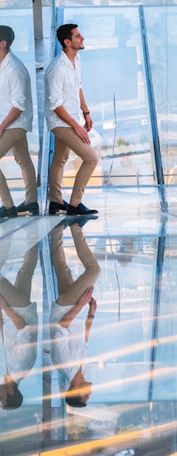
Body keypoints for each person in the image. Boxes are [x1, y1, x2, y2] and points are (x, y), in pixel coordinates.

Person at [45, 24, 99, 216]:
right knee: (91, 158)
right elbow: (56, 105)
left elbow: (78, 86)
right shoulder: (57, 69)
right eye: (78, 36)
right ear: (67, 42)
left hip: (73, 118)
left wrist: (86, 112)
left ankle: (55, 201)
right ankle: (74, 205)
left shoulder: (77, 59)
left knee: (60, 160)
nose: (82, 38)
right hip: (61, 122)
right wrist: (77, 127)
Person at [49, 220, 100, 408]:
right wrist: (91, 315)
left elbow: (62, 327)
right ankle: (56, 231)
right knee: (62, 268)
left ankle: (75, 226)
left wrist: (80, 303)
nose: (90, 393)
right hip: (75, 311)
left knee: (94, 270)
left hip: (66, 308)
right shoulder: (82, 370)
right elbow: (83, 340)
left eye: (86, 396)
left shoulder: (63, 364)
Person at [0, 25, 38, 218]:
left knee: (23, 161)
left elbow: (18, 105)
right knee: (23, 160)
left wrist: (1, 127)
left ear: (3, 43)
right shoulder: (3, 66)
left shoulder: (14, 69)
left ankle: (8, 207)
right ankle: (31, 203)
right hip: (10, 122)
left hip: (15, 124)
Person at [0, 239, 39, 410]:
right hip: (19, 309)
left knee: (25, 271)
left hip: (18, 310)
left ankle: (33, 233)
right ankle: (5, 235)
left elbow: (7, 336)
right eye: (1, 398)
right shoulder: (21, 365)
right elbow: (23, 329)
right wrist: (4, 307)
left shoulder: (7, 372)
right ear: (11, 392)